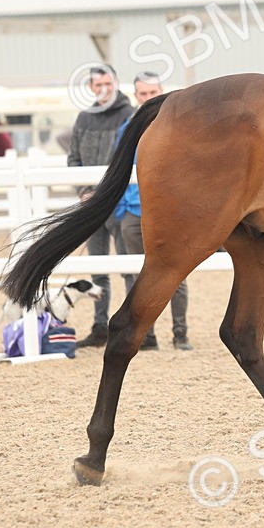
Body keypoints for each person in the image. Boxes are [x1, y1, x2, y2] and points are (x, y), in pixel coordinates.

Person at [112, 72, 191, 351]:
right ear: (136, 96)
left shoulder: (181, 126)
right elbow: (118, 171)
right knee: (135, 276)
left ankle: (180, 333)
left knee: (176, 274)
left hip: (170, 213)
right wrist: (123, 209)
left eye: (152, 92)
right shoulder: (128, 129)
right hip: (134, 213)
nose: (148, 98)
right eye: (143, 94)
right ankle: (145, 335)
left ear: (162, 90)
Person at [69, 65, 135, 347]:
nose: (103, 88)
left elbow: (129, 158)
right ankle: (100, 327)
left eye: (108, 83)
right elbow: (74, 158)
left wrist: (107, 191)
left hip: (120, 203)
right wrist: (84, 190)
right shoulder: (84, 118)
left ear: (116, 83)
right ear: (92, 88)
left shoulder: (129, 115)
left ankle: (133, 326)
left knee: (128, 268)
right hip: (91, 205)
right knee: (98, 269)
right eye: (98, 85)